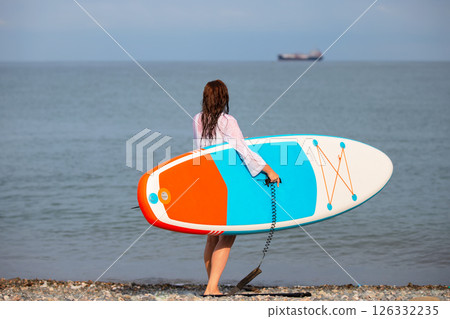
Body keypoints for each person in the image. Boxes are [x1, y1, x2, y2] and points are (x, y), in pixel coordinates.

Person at [193, 79, 280, 296]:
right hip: (226, 182)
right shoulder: (227, 120)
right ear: (224, 98)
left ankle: (211, 284)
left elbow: (206, 149)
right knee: (229, 234)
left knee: (212, 235)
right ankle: (212, 287)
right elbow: (242, 151)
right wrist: (269, 170)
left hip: (207, 180)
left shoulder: (197, 119)